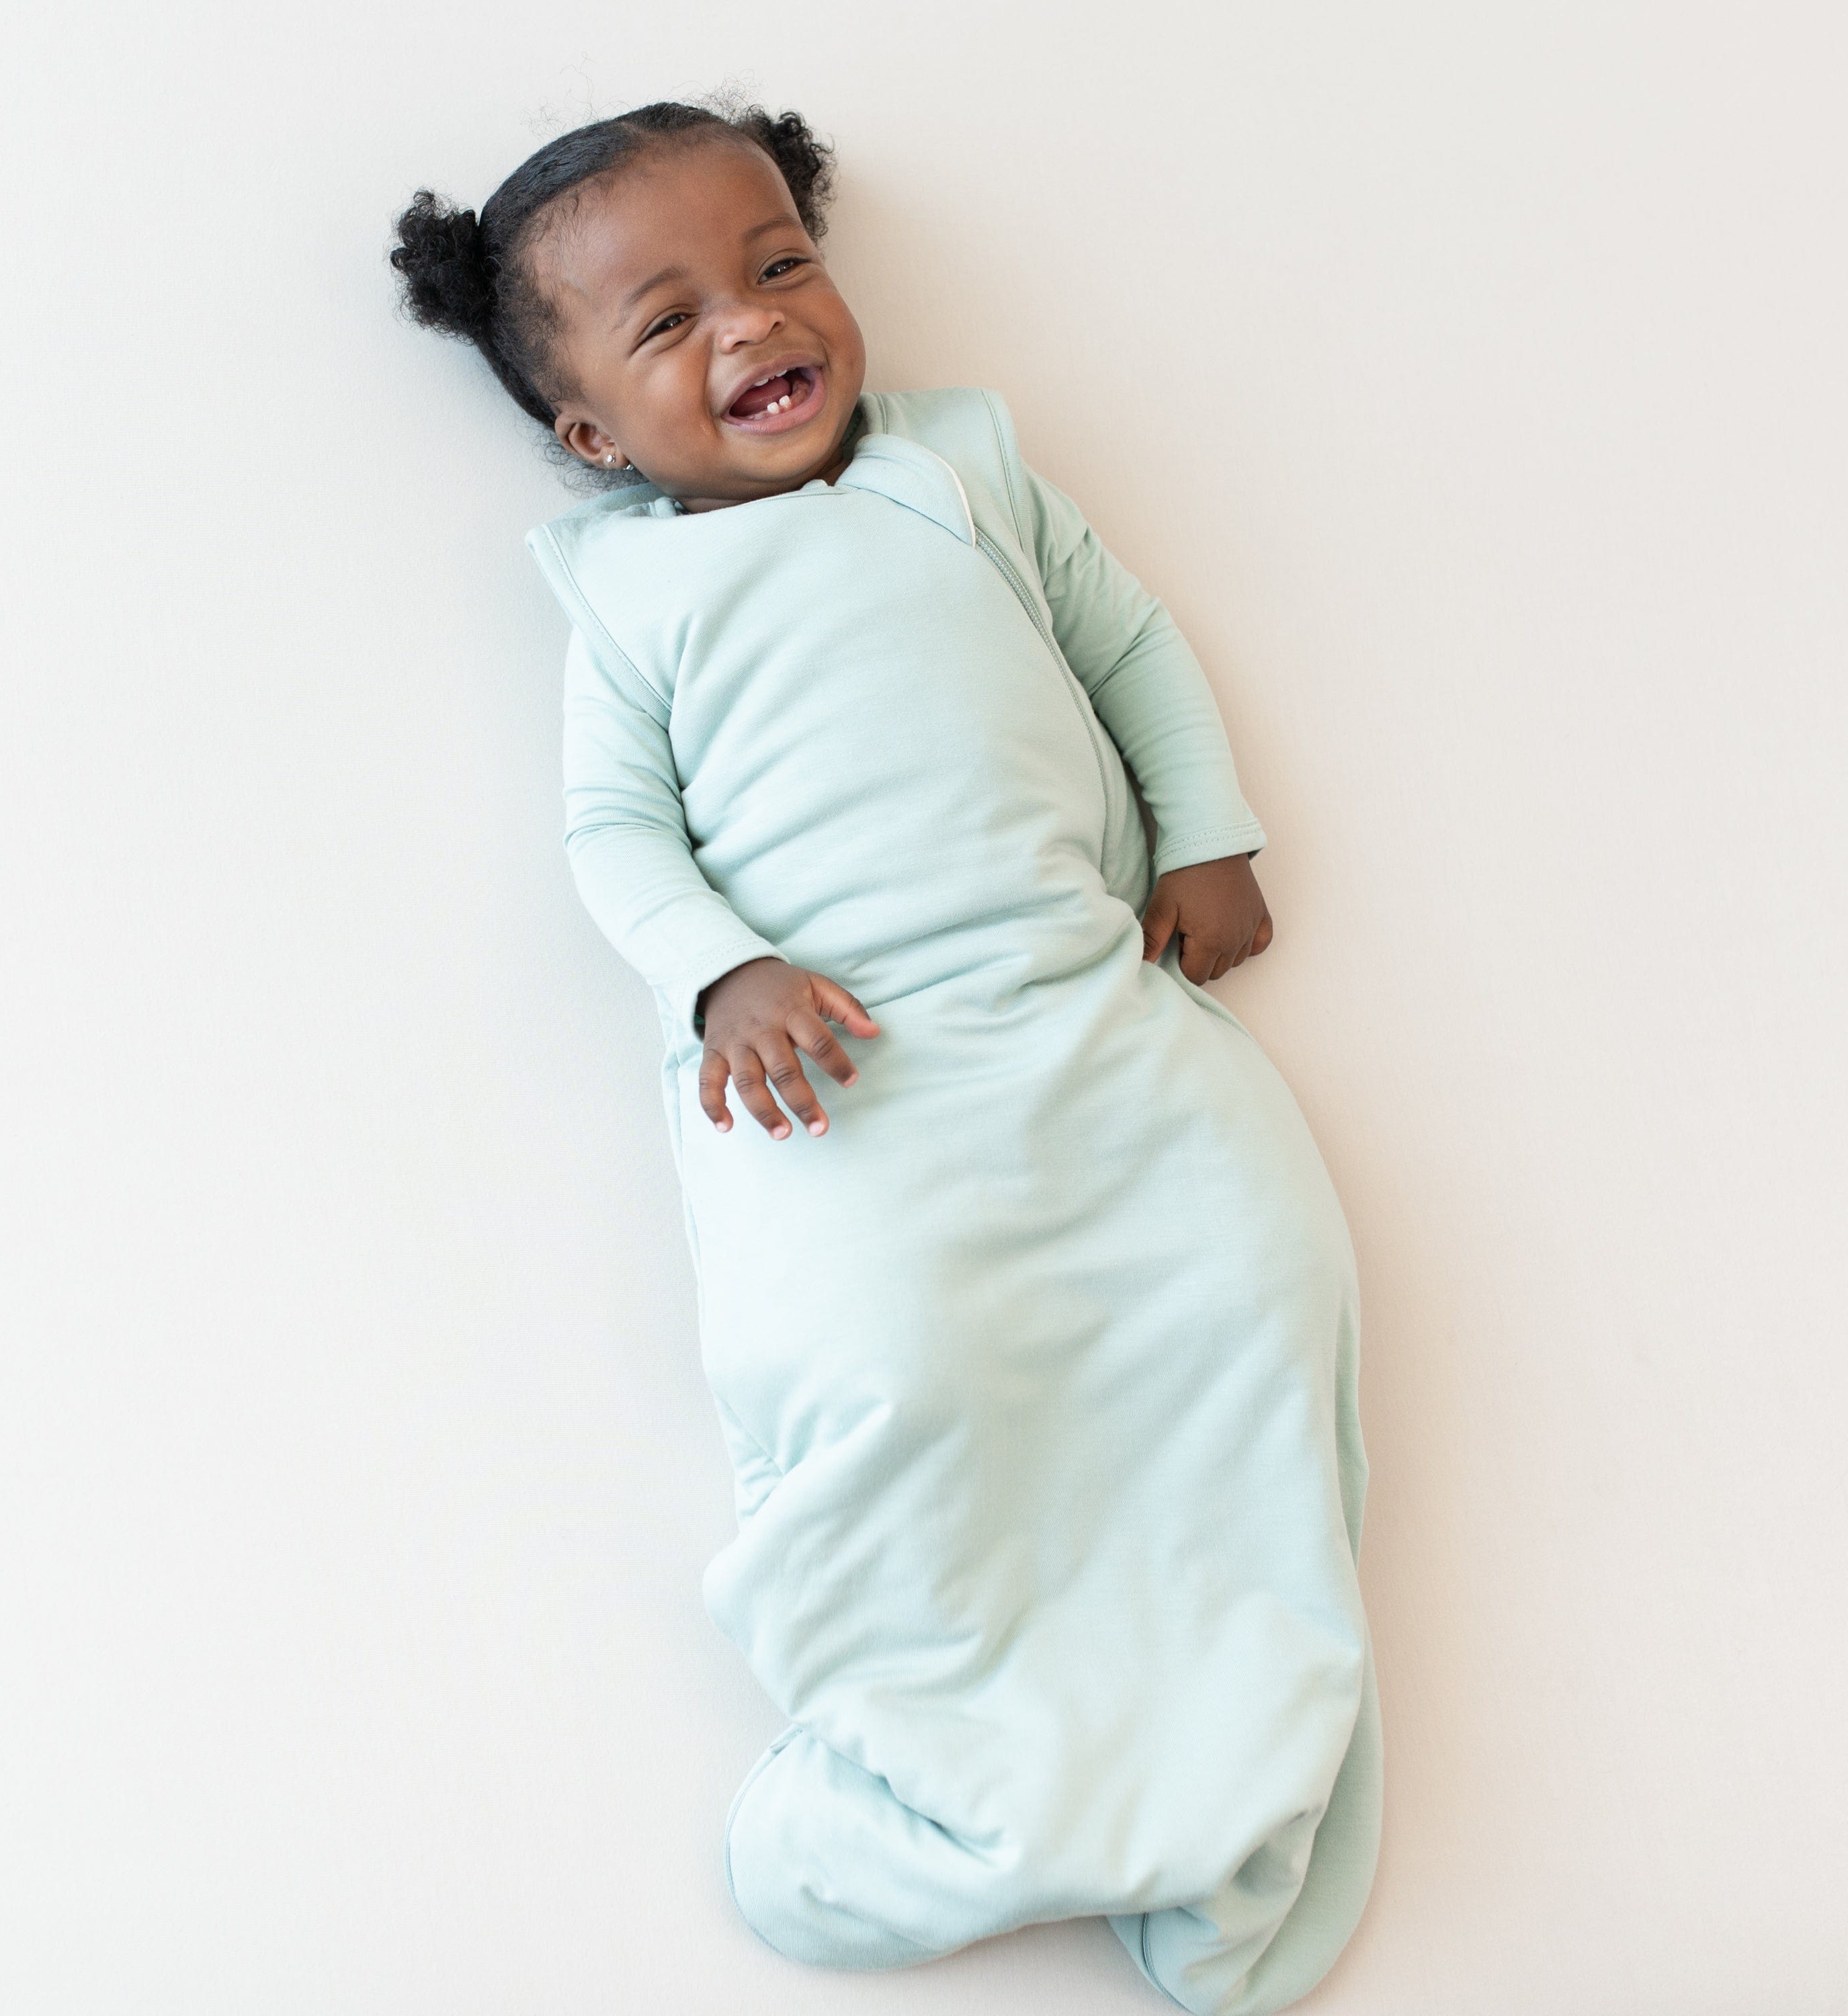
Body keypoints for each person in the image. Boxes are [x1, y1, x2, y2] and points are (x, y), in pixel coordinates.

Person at [390, 99, 1380, 2016]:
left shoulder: (964, 470)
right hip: (837, 1093)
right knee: (891, 1377)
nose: (752, 327)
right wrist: (722, 974)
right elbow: (613, 837)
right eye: (665, 321)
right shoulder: (632, 596)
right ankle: (937, 1784)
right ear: (593, 433)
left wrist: (1208, 829)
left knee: (1258, 1287)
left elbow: (1132, 644)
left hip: (1081, 1021)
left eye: (777, 269)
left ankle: (1229, 1754)